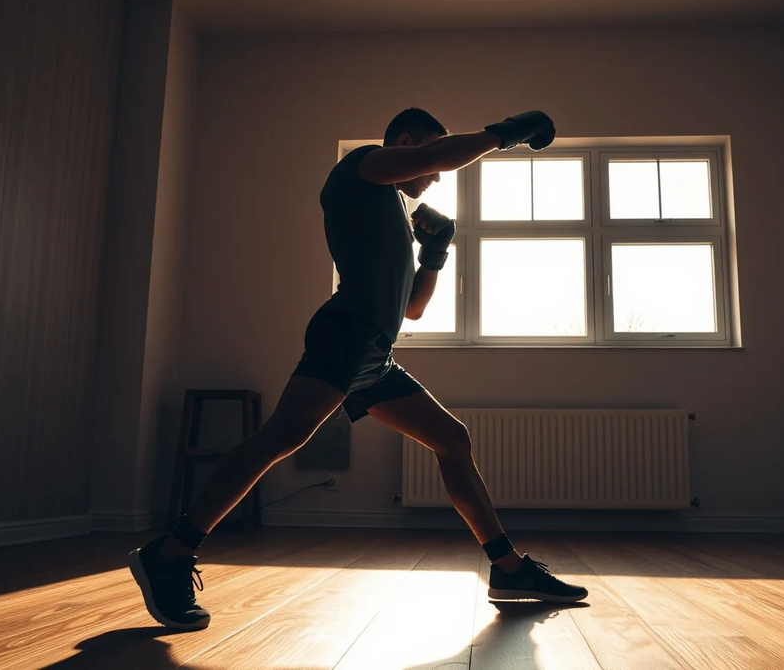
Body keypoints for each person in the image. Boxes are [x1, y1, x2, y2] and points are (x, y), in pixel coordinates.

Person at [128, 108, 588, 630]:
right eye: (427, 157)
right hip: (346, 334)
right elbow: (438, 156)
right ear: (406, 142)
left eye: (433, 165)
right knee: (282, 437)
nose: (434, 175)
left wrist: (434, 252)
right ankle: (168, 553)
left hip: (375, 351)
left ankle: (508, 570)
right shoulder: (362, 165)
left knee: (452, 440)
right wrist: (510, 131)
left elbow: (411, 308)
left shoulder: (389, 205)